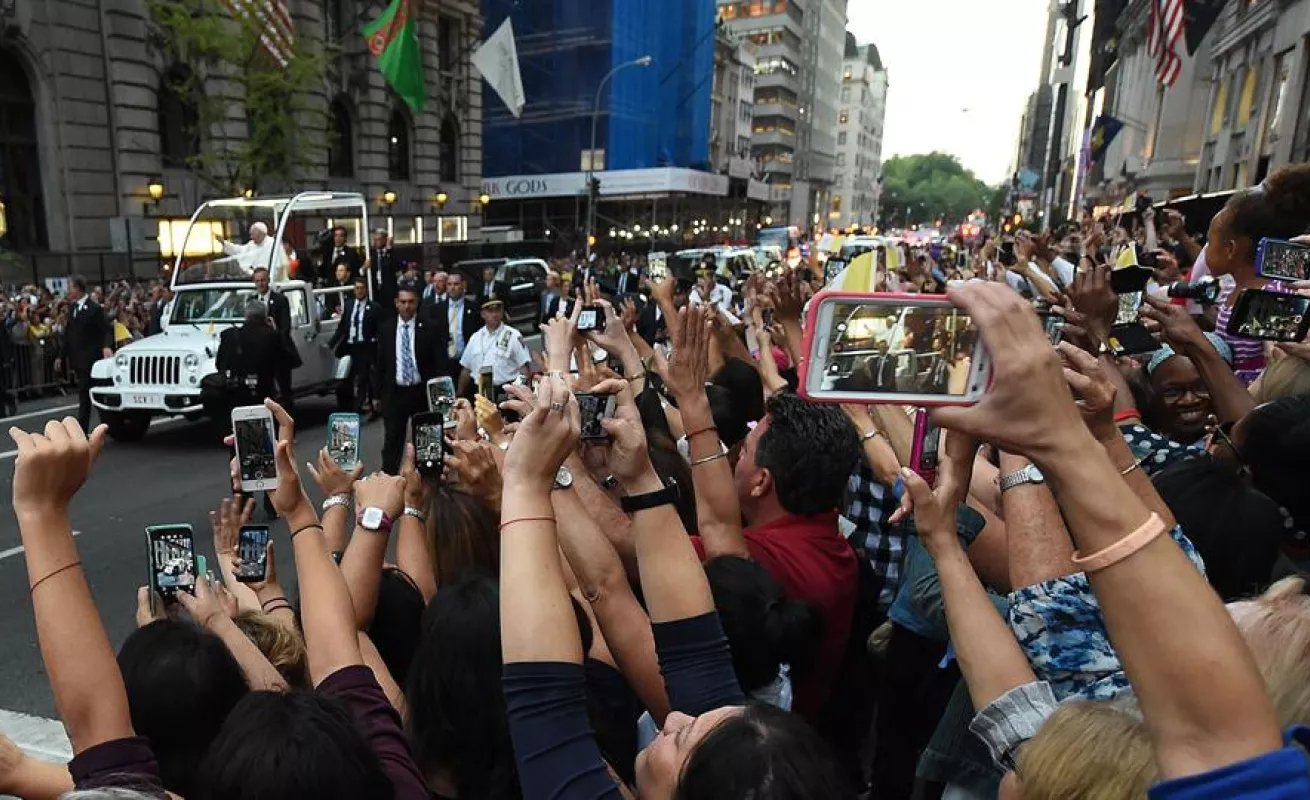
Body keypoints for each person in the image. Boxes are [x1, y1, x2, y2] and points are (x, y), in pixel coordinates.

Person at [1203, 164, 1310, 384]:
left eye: (1209, 241)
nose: (1204, 249)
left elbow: (1275, 356)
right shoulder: (1230, 291)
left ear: (1230, 249)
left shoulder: (1273, 295)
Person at [377, 284, 440, 474]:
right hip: (396, 393)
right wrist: (379, 395)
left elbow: (438, 363)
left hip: (421, 392)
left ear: (417, 303)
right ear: (396, 303)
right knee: (392, 442)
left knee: (427, 439)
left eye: (411, 302)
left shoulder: (429, 328)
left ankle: (429, 478)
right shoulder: (386, 329)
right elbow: (380, 364)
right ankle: (388, 481)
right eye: (403, 302)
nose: (407, 306)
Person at [63, 275, 114, 432]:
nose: (68, 291)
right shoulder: (72, 309)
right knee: (86, 394)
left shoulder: (94, 308)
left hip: (91, 358)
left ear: (78, 289)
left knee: (87, 395)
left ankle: (84, 429)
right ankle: (92, 427)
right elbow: (69, 333)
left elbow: (106, 330)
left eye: (70, 287)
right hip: (78, 358)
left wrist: (106, 346)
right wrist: (61, 355)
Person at [250, 266, 302, 412]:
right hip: (261, 354)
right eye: (257, 281)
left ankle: (289, 419)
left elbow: (286, 328)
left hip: (279, 351)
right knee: (264, 389)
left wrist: (274, 332)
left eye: (263, 280)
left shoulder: (280, 300)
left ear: (268, 281)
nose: (260, 284)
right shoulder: (252, 301)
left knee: (285, 388)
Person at [457, 295, 530, 397]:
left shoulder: (513, 335)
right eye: (490, 311)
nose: (494, 314)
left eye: (498, 310)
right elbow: (466, 369)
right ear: (483, 314)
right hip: (482, 392)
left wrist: (515, 391)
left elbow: (524, 370)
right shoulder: (475, 338)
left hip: (506, 391)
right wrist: (459, 393)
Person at [328, 277, 380, 414]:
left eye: (362, 288)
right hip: (350, 346)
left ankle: (358, 408)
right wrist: (331, 344)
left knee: (363, 377)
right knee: (346, 378)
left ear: (366, 290)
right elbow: (342, 328)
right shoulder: (349, 305)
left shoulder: (374, 308)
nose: (359, 291)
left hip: (365, 346)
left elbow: (379, 328)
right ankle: (346, 405)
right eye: (357, 288)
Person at [432, 273, 481, 387]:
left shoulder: (473, 308)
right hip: (445, 363)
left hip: (468, 362)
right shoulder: (436, 310)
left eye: (456, 284)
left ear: (463, 285)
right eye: (449, 284)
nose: (452, 287)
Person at [368, 230, 401, 315]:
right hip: (375, 290)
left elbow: (396, 267)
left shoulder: (391, 253)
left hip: (388, 290)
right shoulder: (371, 254)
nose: (376, 242)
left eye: (379, 239)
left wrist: (389, 249)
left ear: (385, 240)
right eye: (375, 239)